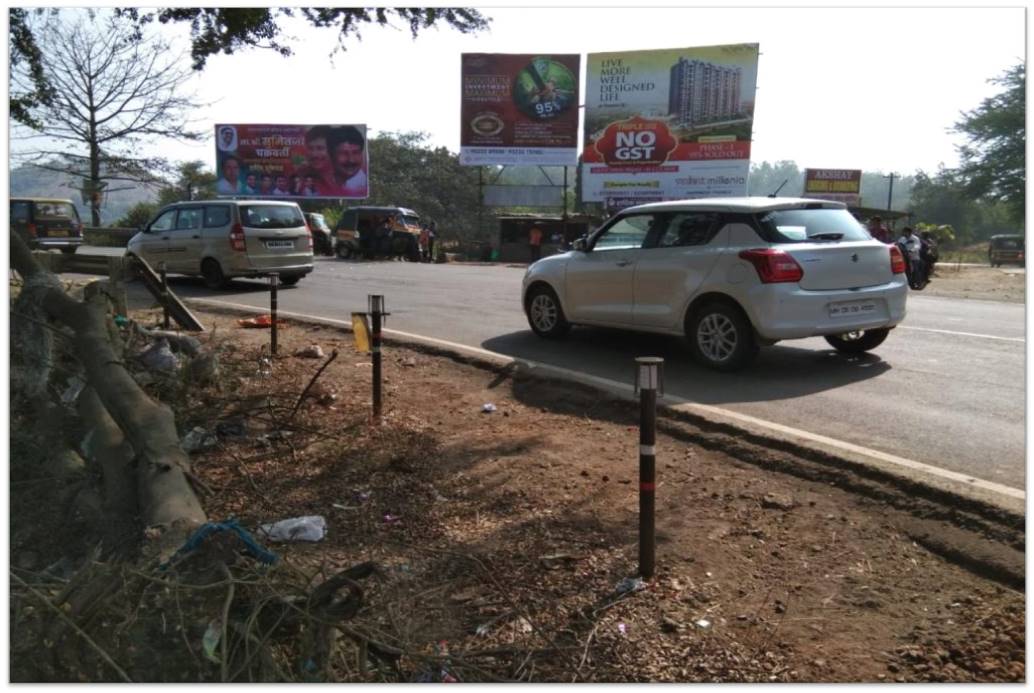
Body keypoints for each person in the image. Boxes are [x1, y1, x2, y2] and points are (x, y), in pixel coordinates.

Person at [327, 125, 368, 197]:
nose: (351, 160)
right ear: (331, 155)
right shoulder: (315, 182)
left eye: (355, 153)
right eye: (343, 153)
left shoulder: (363, 185)